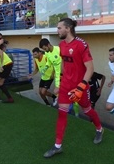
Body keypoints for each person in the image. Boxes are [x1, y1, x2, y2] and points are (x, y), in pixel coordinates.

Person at [43, 18, 103, 158]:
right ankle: (57, 146)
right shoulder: (61, 45)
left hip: (80, 88)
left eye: (59, 28)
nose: (57, 30)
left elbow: (90, 69)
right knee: (62, 113)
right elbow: (64, 65)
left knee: (87, 110)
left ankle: (99, 129)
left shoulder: (81, 45)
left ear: (68, 28)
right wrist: (60, 83)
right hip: (65, 86)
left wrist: (81, 88)